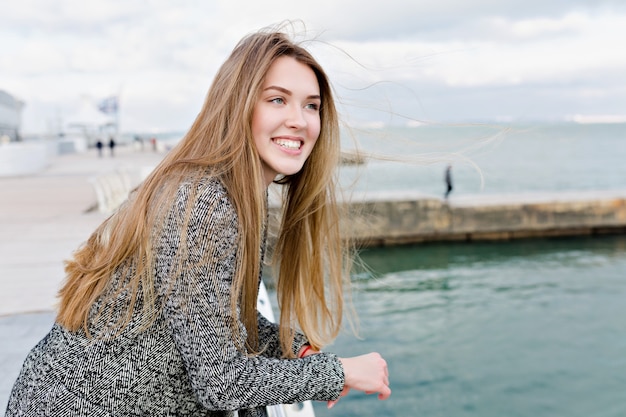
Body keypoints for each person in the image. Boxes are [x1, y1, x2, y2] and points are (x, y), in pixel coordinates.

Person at [5, 27, 390, 416]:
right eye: (278, 100)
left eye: (312, 106)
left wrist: (296, 347)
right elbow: (221, 383)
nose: (299, 120)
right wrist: (337, 372)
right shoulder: (203, 201)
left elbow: (212, 314)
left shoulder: (236, 194)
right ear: (238, 105)